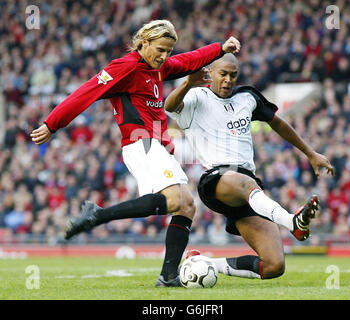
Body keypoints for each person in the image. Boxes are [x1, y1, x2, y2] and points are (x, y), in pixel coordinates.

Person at [30, 20, 240, 287]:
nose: (164, 56)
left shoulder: (158, 68)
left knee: (186, 206)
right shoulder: (125, 67)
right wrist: (52, 123)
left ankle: (168, 275)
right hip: (140, 142)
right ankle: (98, 214)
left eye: (168, 51)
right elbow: (86, 92)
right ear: (144, 43)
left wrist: (220, 49)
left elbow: (188, 60)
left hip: (155, 145)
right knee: (177, 199)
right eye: (160, 49)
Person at [164, 53, 335, 280]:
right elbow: (170, 106)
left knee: (274, 265)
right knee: (244, 181)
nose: (228, 80)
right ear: (210, 73)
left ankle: (202, 263)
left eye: (233, 75)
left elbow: (277, 123)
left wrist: (310, 153)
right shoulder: (197, 96)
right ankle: (292, 222)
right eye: (223, 74)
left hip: (246, 187)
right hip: (217, 179)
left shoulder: (248, 96)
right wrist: (187, 83)